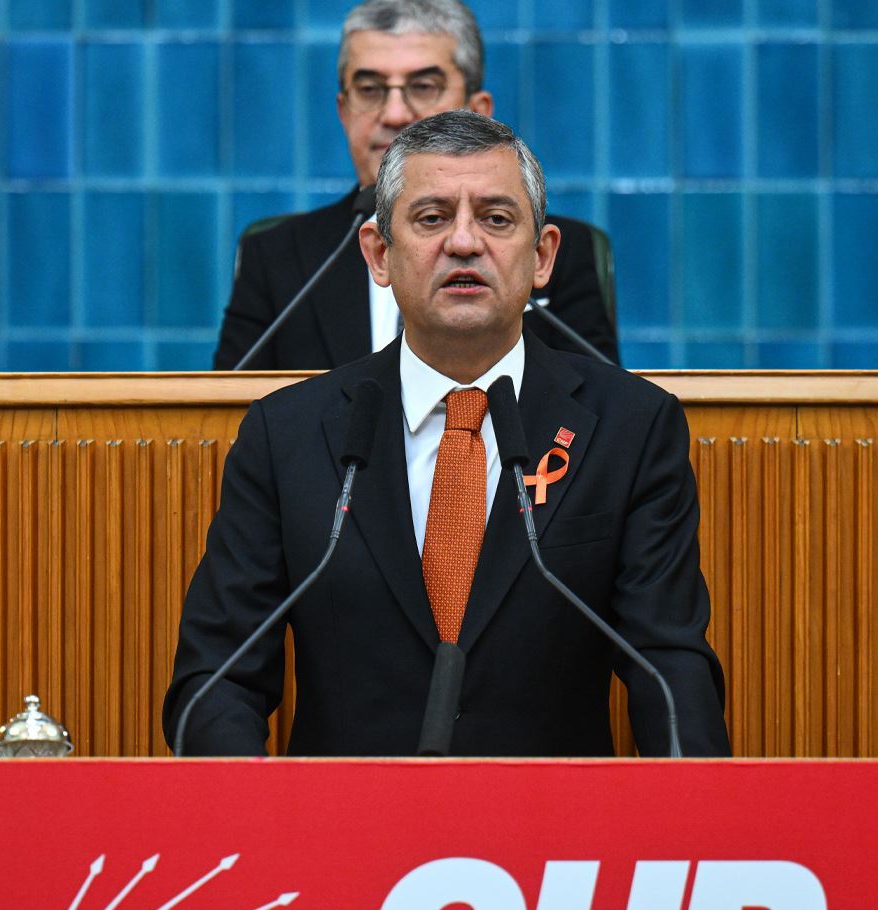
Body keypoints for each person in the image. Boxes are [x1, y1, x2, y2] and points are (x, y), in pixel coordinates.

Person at [164, 110, 728, 758]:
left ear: (542, 256)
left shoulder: (631, 429)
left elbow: (670, 669)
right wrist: (264, 815)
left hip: (549, 819)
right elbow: (216, 681)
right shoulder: (286, 434)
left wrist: (697, 804)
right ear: (379, 254)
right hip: (346, 817)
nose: (463, 242)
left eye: (496, 218)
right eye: (431, 218)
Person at [211, 0, 620, 371]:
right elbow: (224, 411)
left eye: (423, 87)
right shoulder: (277, 257)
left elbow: (599, 406)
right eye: (370, 89)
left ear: (478, 113)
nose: (394, 113)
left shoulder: (557, 252)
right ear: (344, 111)